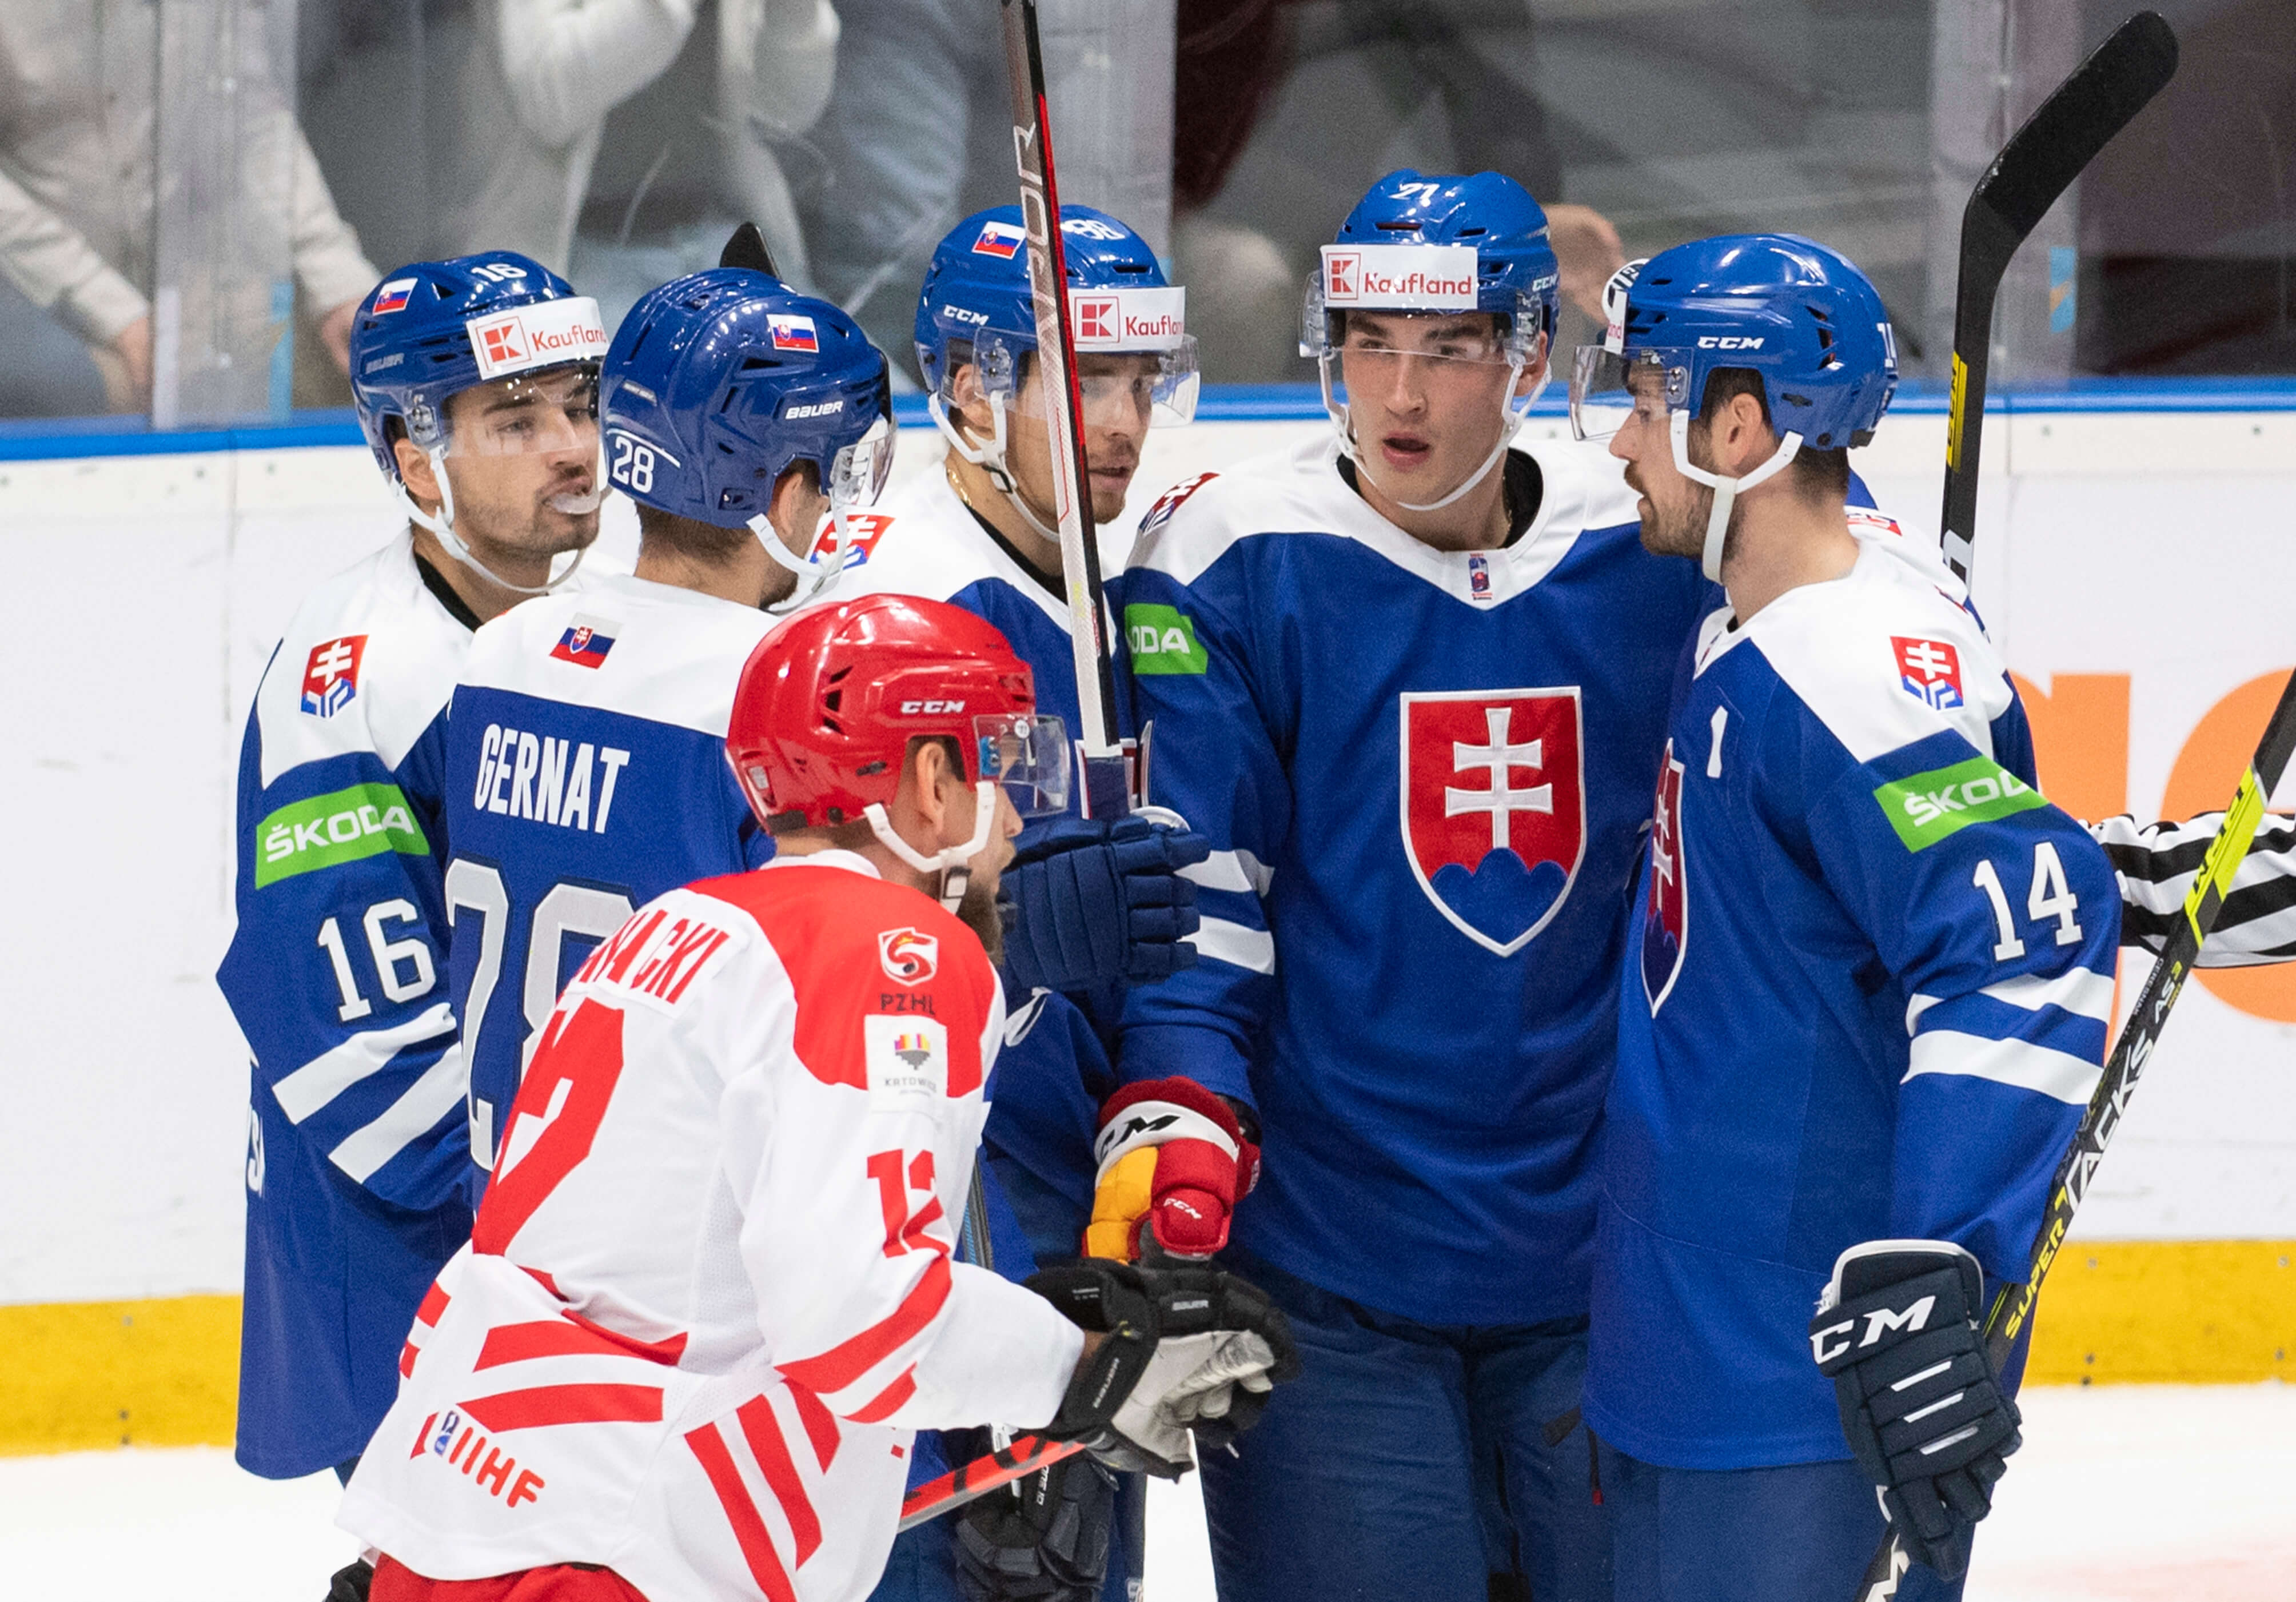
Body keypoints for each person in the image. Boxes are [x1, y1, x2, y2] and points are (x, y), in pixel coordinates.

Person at [337, 594, 1298, 1602]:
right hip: (613, 1555)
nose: (1015, 816)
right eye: (995, 769)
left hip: (458, 1519)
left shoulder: (681, 920)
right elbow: (857, 1320)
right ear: (930, 782)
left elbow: (607, 1260)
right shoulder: (900, 950)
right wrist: (1089, 1368)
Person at [1113, 167, 1717, 1602]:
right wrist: (1183, 1105)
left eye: (1446, 348)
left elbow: (1831, 662)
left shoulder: (1645, 540)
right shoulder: (1223, 558)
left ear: (1524, 355)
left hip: (1598, 1267)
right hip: (1327, 1265)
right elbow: (1202, 893)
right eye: (1369, 342)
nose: (1399, 389)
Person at [1570, 234, 2120, 1601]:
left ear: (1738, 427)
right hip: (1688, 1353)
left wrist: (1941, 1259)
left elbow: (2019, 934)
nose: (1625, 442)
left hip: (1793, 1387)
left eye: (1651, 399)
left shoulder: (1842, 665)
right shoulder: (1781, 612)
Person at [819, 203, 1214, 1602]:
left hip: (1065, 1201)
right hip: (931, 1219)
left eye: (1137, 379)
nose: (1122, 419)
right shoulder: (893, 609)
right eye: (1083, 379)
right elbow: (851, 986)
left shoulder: (1090, 575)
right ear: (971, 390)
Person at [216, 251, 605, 1588]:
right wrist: (538, 1246)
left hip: (550, 1231)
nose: (572, 450)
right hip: (417, 1243)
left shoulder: (598, 616)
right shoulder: (361, 675)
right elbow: (356, 1044)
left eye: (580, 406)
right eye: (518, 420)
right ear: (407, 450)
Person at [446, 262, 894, 1190]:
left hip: (509, 1221)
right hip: (673, 1254)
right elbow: (832, 1022)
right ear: (781, 496)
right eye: (831, 478)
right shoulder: (773, 700)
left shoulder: (501, 654)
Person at [0, 1, 376, 412]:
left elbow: (255, 121)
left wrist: (338, 283)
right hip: (33, 302)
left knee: (335, 375)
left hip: (186, 288)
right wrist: (115, 314)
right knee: (60, 386)